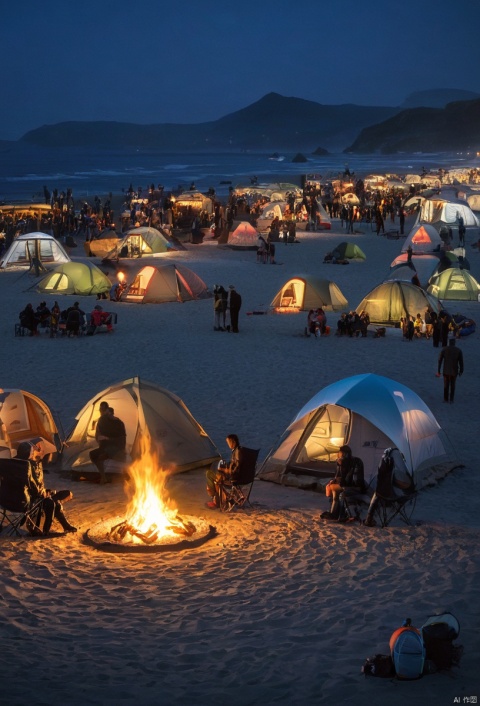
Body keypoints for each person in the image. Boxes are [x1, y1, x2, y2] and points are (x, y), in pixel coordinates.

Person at [15, 441, 77, 536]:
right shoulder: (28, 466)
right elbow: (35, 490)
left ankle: (65, 526)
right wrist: (44, 492)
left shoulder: (13, 464)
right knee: (53, 502)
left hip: (10, 499)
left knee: (59, 495)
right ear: (30, 453)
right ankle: (47, 530)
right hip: (31, 500)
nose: (37, 451)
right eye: (34, 450)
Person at [322, 445, 365, 521]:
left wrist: (334, 481)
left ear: (343, 453)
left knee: (333, 488)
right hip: (358, 485)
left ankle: (336, 514)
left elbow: (344, 478)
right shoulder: (356, 460)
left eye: (339, 452)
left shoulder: (343, 462)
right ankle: (336, 513)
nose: (337, 454)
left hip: (351, 486)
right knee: (335, 490)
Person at [89, 401, 127, 483]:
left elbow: (121, 439)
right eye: (101, 409)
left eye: (104, 409)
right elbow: (98, 435)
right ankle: (103, 477)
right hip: (107, 447)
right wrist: (101, 438)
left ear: (109, 411)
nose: (102, 411)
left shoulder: (118, 423)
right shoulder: (102, 421)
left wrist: (108, 439)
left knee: (99, 456)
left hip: (115, 448)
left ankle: (103, 477)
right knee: (93, 454)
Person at [205, 434, 243, 509]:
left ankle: (216, 499)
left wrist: (226, 470)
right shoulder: (238, 450)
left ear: (234, 442)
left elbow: (236, 468)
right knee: (217, 475)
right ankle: (216, 498)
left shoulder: (237, 452)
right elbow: (235, 465)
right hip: (237, 476)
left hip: (233, 477)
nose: (228, 444)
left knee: (210, 474)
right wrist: (227, 466)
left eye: (229, 442)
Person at [437, 338, 464, 403]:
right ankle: (451, 399)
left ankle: (445, 399)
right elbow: (461, 362)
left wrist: (439, 370)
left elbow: (440, 360)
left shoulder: (444, 349)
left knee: (446, 385)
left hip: (446, 370)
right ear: (454, 343)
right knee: (452, 385)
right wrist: (461, 370)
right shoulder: (458, 351)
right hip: (454, 371)